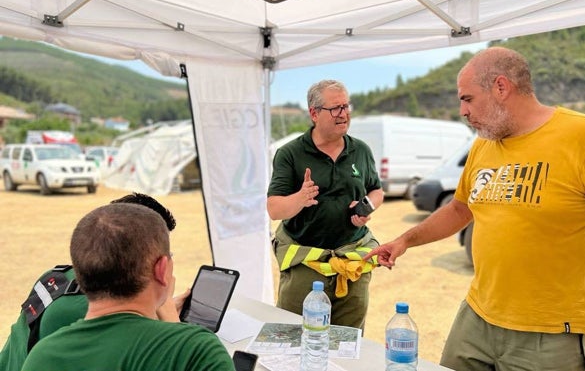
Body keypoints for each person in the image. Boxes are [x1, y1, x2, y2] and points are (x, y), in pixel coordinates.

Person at [364, 46, 585, 370]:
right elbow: (461, 209)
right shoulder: (484, 144)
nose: (462, 110)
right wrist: (404, 240)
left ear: (501, 87)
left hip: (551, 333)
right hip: (477, 317)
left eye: (467, 98)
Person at [21, 202, 234, 371]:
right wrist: (171, 318)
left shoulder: (43, 356)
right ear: (161, 270)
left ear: (80, 272)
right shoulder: (196, 351)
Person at [0, 193, 187, 371]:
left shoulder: (58, 277)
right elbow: (175, 358)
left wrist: (155, 306)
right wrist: (169, 314)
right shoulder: (88, 311)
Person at [267, 79, 384, 329]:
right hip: (306, 263)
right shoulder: (290, 154)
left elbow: (377, 191)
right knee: (294, 334)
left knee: (349, 341)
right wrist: (299, 199)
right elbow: (275, 209)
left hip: (352, 260)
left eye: (346, 106)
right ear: (314, 113)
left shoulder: (361, 150)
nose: (344, 114)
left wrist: (366, 207)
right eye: (335, 108)